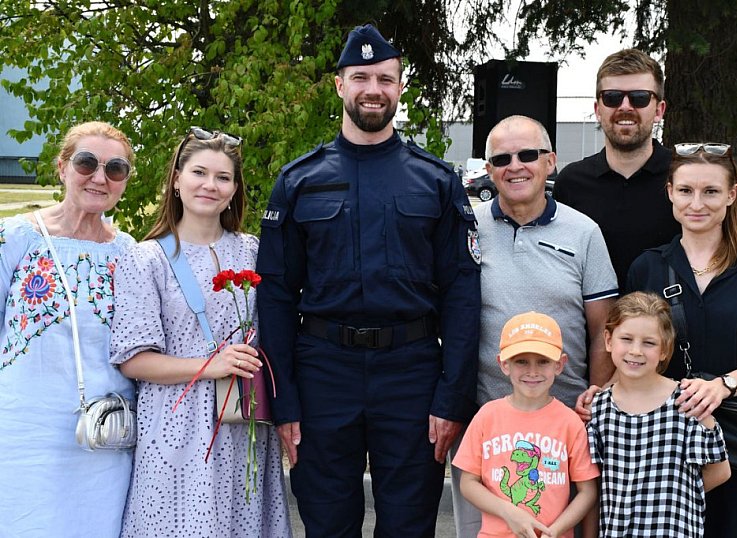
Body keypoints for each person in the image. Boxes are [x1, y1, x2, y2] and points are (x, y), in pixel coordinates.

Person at [256, 24, 481, 537]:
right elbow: (274, 295)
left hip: (411, 372)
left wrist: (451, 398)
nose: (373, 89)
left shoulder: (436, 180)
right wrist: (282, 398)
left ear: (400, 88)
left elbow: (463, 296)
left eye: (385, 78)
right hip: (322, 373)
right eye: (361, 77)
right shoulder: (298, 181)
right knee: (326, 519)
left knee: (409, 521)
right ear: (340, 85)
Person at [109, 127, 291, 537]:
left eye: (223, 177)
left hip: (242, 423)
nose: (210, 185)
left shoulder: (254, 251)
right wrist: (211, 364)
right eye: (199, 172)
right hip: (176, 429)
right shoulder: (147, 258)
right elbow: (133, 360)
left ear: (234, 189)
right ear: (176, 180)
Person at [450, 115, 617, 536]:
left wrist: (593, 400)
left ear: (551, 162)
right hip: (487, 422)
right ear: (488, 170)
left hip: (566, 426)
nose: (515, 165)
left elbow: (603, 330)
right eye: (501, 158)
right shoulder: (466, 228)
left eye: (528, 154)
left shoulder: (584, 233)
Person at [624, 143, 737, 537]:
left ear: (733, 194)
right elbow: (630, 349)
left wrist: (724, 386)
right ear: (670, 191)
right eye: (685, 190)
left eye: (711, 191)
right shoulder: (648, 267)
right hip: (667, 441)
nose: (696, 203)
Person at [553, 48, 737, 300]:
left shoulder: (687, 179)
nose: (625, 107)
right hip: (593, 331)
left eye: (639, 97)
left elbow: (727, 242)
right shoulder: (571, 183)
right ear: (598, 108)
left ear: (659, 109)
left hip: (679, 330)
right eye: (613, 97)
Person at [0, 121, 136, 537]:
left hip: (104, 436)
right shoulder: (16, 237)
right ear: (61, 168)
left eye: (115, 169)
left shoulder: (128, 252)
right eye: (86, 163)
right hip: (25, 432)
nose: (99, 177)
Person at [588, 291, 731, 536]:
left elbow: (720, 471)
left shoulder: (687, 402)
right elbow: (594, 481)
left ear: (665, 349)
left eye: (649, 342)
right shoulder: (599, 409)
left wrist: (674, 493)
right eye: (627, 339)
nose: (636, 351)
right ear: (609, 340)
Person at [454, 311, 599, 538]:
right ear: (503, 364)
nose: (533, 372)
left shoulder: (569, 422)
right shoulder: (487, 416)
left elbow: (587, 491)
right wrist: (509, 512)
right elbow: (468, 483)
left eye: (543, 361)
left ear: (560, 365)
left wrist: (555, 531)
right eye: (521, 361)